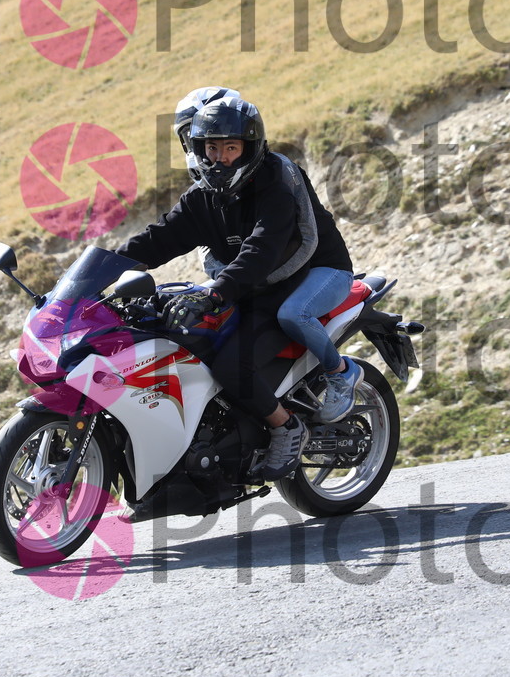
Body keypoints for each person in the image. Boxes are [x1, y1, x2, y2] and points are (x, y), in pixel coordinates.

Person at [114, 93, 354, 481]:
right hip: (251, 285)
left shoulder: (275, 185)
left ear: (249, 148)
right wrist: (102, 267)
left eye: (231, 148)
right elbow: (158, 238)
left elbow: (261, 250)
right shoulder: (201, 198)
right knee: (187, 338)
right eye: (212, 148)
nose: (221, 158)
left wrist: (215, 292)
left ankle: (287, 426)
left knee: (232, 362)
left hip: (296, 278)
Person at [170, 87, 362, 422]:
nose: (208, 146)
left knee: (293, 314)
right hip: (268, 275)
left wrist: (240, 286)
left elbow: (286, 243)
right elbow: (183, 236)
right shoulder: (212, 184)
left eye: (227, 143)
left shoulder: (277, 173)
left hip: (320, 267)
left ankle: (340, 372)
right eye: (192, 136)